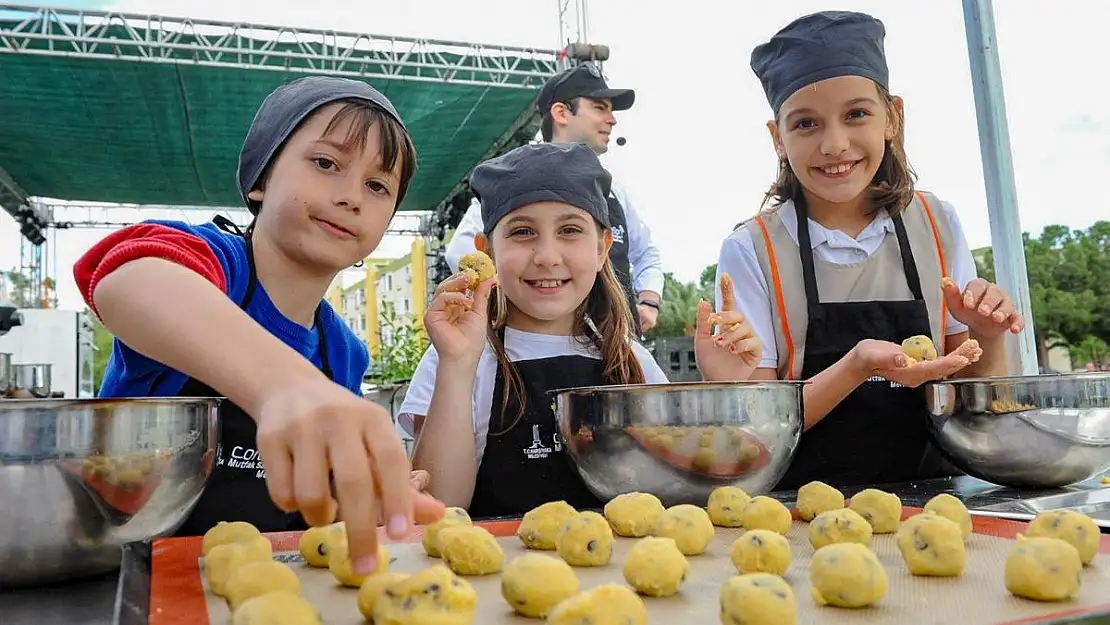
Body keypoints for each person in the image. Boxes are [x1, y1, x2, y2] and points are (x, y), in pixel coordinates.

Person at [73, 76, 444, 573]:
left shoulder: (343, 352)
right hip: (133, 581)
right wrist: (281, 384)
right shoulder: (215, 264)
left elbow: (309, 497)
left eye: (378, 186)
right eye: (326, 163)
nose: (352, 196)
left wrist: (362, 495)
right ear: (261, 178)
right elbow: (126, 277)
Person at [714, 11, 1024, 490]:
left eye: (856, 114)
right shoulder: (752, 251)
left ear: (892, 117)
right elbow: (758, 433)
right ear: (778, 138)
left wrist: (988, 334)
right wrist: (856, 367)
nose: (835, 144)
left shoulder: (937, 224)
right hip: (799, 512)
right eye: (806, 124)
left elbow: (973, 406)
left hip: (939, 495)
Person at [397, 142, 757, 518]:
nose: (548, 256)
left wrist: (722, 388)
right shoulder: (459, 354)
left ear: (603, 248)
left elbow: (682, 485)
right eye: (522, 232)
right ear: (487, 251)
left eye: (569, 230)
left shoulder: (632, 360)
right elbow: (437, 509)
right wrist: (456, 365)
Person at [444, 62, 665, 335]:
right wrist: (529, 302)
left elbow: (646, 252)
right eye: (599, 107)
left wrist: (649, 300)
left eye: (570, 230)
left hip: (620, 350)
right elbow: (460, 251)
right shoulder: (513, 180)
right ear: (561, 112)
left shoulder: (614, 190)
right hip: (539, 355)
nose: (612, 119)